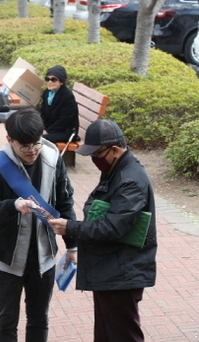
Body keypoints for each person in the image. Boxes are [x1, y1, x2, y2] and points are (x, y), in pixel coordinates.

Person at [49, 119, 157, 342]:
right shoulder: (117, 168)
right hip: (111, 267)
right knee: (106, 334)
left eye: (97, 154)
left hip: (122, 272)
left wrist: (71, 227)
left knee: (122, 334)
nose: (94, 160)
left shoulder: (131, 180)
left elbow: (113, 227)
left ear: (115, 149)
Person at [0, 108, 77, 342]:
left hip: (44, 257)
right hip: (7, 259)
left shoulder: (53, 159)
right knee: (6, 322)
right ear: (9, 139)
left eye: (36, 143)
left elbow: (64, 203)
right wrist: (12, 205)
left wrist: (72, 247)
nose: (32, 151)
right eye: (25, 146)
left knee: (39, 319)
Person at [39, 65, 79, 143]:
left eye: (53, 79)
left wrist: (48, 131)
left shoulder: (67, 96)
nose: (50, 82)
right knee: (28, 133)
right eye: (47, 79)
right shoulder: (46, 93)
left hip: (65, 131)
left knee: (39, 139)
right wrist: (42, 128)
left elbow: (64, 120)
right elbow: (43, 112)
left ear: (61, 82)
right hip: (50, 128)